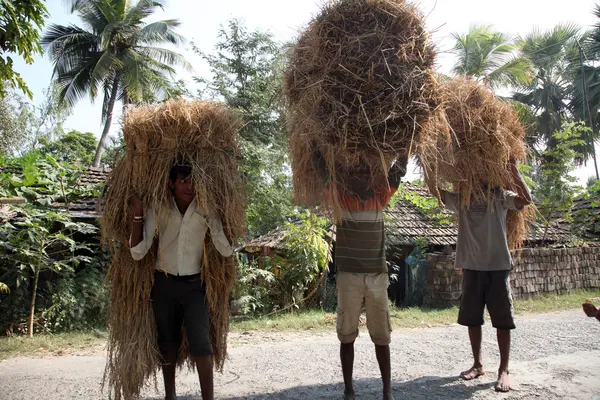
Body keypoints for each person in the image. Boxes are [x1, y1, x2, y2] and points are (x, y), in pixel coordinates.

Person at [129, 163, 234, 400]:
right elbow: (138, 251)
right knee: (167, 343)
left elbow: (226, 250)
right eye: (184, 181)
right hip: (164, 284)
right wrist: (138, 212)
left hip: (194, 286)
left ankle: (208, 397)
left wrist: (224, 217)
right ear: (171, 184)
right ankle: (170, 396)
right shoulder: (159, 209)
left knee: (201, 343)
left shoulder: (206, 211)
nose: (190, 186)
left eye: (193, 181)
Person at [312, 147, 408, 400]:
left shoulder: (380, 198)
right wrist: (314, 146)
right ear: (348, 177)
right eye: (357, 172)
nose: (362, 175)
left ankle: (387, 391)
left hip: (377, 277)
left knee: (382, 338)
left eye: (366, 172)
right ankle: (349, 390)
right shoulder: (340, 200)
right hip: (349, 277)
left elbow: (398, 173)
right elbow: (322, 174)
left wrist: (406, 148)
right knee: (346, 336)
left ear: (373, 177)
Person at [438, 160, 532, 393]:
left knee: (502, 321)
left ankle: (504, 370)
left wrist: (513, 170)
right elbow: (437, 192)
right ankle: (478, 365)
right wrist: (433, 164)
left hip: (497, 265)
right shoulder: (462, 197)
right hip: (470, 265)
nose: (478, 173)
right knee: (472, 319)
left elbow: (526, 200)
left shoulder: (500, 195)